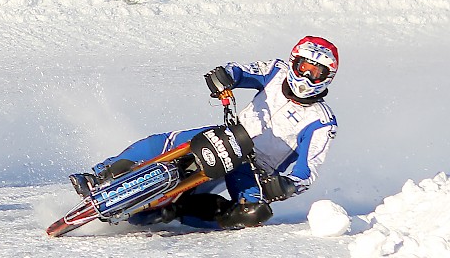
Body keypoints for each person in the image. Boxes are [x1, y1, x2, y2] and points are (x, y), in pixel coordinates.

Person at [70, 36, 338, 230]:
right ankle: (100, 174)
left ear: (327, 78)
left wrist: (287, 185)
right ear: (294, 63)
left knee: (253, 215)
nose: (306, 78)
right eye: (303, 68)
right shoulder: (276, 71)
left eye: (316, 74)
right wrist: (224, 76)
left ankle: (175, 212)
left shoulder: (322, 122)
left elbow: (307, 171)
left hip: (256, 170)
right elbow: (241, 71)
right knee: (168, 142)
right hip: (230, 137)